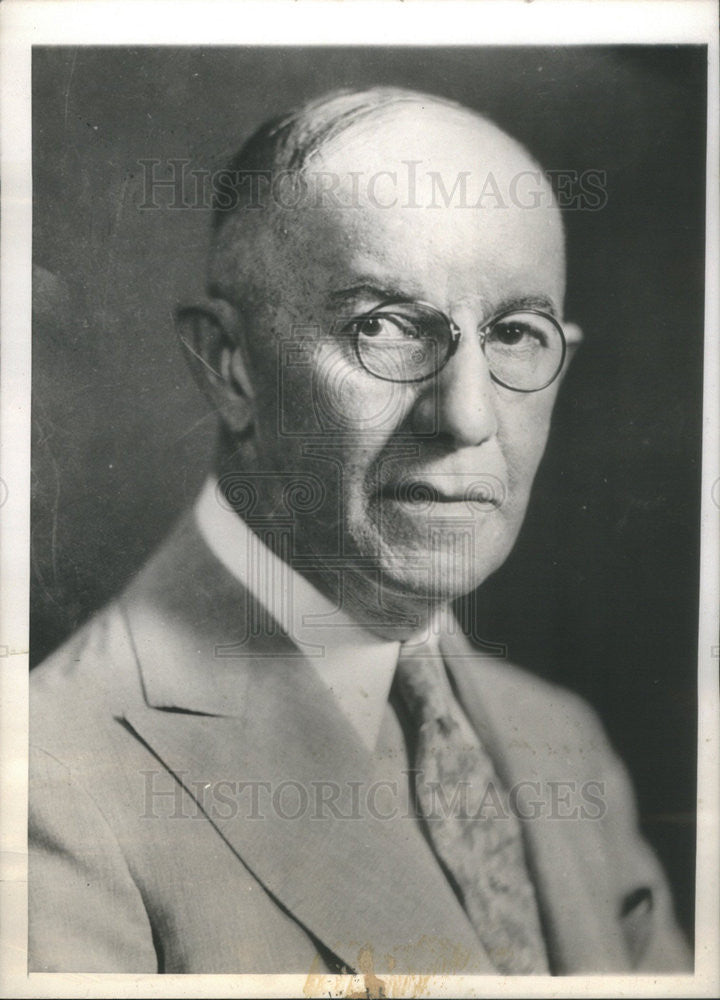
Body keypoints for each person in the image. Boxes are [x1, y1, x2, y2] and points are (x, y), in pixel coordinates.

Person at [29, 87, 691, 976]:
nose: (465, 417)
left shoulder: (562, 741)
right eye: (382, 325)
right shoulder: (48, 787)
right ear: (229, 368)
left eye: (516, 335)